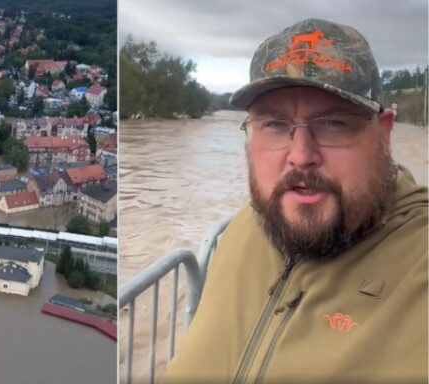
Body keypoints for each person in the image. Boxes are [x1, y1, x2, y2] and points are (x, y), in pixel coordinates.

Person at [166, 19, 427, 383]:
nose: (301, 155)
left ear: (383, 134)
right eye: (274, 125)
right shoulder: (244, 227)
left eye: (334, 123)